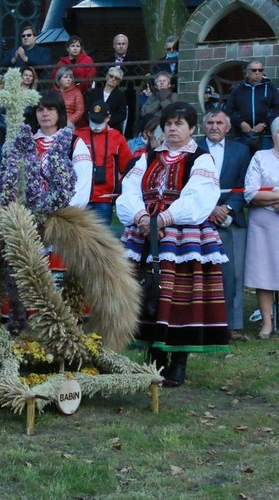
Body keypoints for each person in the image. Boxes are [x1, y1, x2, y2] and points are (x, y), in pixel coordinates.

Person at [117, 102, 229, 387]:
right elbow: (129, 190)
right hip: (146, 235)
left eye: (179, 124)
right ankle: (154, 357)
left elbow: (199, 198)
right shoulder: (147, 157)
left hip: (183, 238)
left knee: (181, 298)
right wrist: (141, 215)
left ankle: (178, 361)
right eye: (168, 124)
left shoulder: (201, 159)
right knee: (146, 293)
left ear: (192, 129)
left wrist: (165, 218)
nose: (172, 129)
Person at [197, 109, 252, 342]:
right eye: (210, 122)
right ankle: (202, 323)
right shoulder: (195, 149)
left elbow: (245, 184)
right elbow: (191, 184)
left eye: (220, 122)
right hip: (201, 217)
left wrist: (228, 209)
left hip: (232, 220)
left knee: (234, 274)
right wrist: (211, 209)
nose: (214, 126)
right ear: (203, 125)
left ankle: (233, 325)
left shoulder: (241, 150)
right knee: (201, 274)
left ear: (228, 127)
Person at [243, 116, 279, 339]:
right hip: (263, 224)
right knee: (264, 274)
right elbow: (251, 192)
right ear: (274, 135)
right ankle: (266, 324)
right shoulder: (260, 157)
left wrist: (272, 195)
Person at [76, 101, 133, 224]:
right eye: (93, 120)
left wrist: (122, 191)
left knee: (101, 238)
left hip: (104, 197)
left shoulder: (117, 138)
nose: (96, 125)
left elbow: (127, 168)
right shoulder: (78, 135)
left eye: (99, 121)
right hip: (80, 195)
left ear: (108, 118)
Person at [33, 91, 93, 209]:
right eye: (40, 110)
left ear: (59, 112)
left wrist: (65, 210)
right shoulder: (27, 143)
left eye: (50, 109)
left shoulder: (74, 142)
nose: (45, 114)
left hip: (64, 213)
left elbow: (83, 183)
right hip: (31, 213)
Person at [225, 60, 279, 154]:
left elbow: (277, 108)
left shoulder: (271, 88)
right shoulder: (237, 89)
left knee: (264, 163)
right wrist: (240, 123)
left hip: (266, 135)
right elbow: (229, 110)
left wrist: (264, 124)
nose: (257, 72)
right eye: (254, 70)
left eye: (260, 70)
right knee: (243, 162)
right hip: (242, 135)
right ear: (246, 73)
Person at [85, 67, 127, 134]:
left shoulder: (120, 95)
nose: (113, 79)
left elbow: (122, 115)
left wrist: (105, 121)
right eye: (111, 76)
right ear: (107, 77)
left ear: (118, 82)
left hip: (112, 128)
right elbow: (87, 111)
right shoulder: (94, 93)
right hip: (93, 126)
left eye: (116, 78)